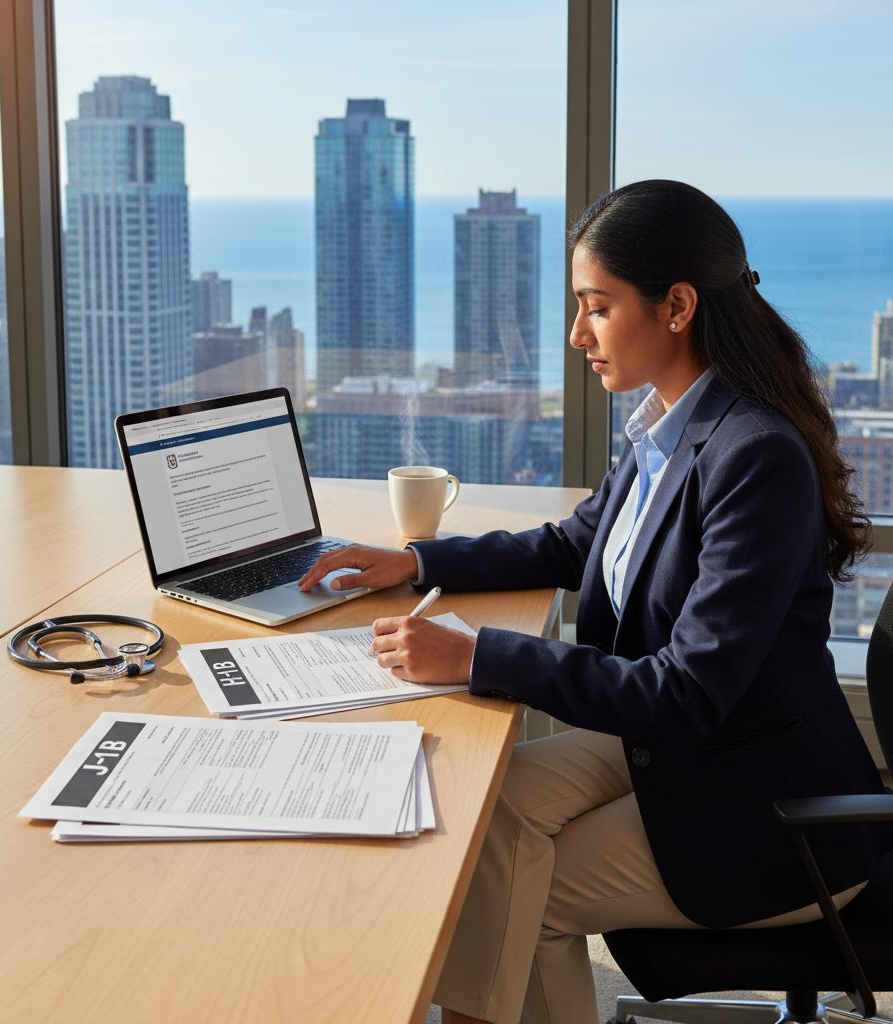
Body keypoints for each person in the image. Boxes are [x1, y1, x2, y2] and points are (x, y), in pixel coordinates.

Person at [298, 180, 893, 1024]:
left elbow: (685, 692)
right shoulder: (673, 425)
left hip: (766, 808)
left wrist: (476, 657)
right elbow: (574, 543)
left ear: (677, 305)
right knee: (483, 818)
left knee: (505, 892)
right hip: (691, 749)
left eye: (596, 307)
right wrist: (413, 560)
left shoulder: (753, 456)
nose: (577, 334)